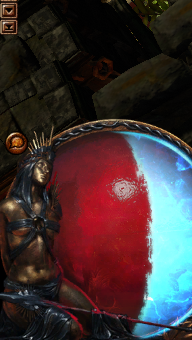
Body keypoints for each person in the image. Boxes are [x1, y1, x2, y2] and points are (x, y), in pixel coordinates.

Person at [0, 132, 128, 340]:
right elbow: (4, 255)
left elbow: (54, 247)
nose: (46, 171)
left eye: (49, 168)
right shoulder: (8, 207)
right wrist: (22, 282)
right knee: (71, 329)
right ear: (28, 168)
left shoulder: (51, 207)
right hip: (23, 291)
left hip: (55, 282)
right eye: (41, 166)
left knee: (99, 321)